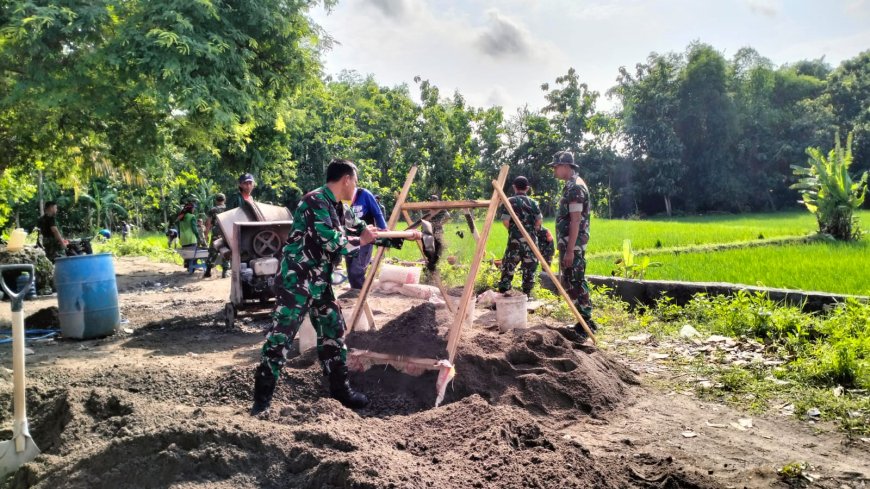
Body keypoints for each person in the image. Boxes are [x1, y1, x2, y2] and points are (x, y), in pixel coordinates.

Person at [250, 158, 421, 415]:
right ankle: (261, 401)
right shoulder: (314, 201)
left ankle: (341, 391)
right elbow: (331, 241)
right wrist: (362, 240)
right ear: (346, 179)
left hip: (320, 282)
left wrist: (402, 237)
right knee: (281, 337)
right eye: (356, 180)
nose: (357, 187)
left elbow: (366, 230)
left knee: (333, 330)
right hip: (297, 280)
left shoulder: (340, 207)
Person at [550, 151, 597, 338]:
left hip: (574, 244)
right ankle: (583, 320)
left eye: (556, 166)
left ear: (566, 167)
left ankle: (586, 323)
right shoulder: (571, 185)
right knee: (570, 279)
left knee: (575, 280)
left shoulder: (575, 188)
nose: (554, 170)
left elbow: (576, 221)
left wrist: (570, 250)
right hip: (570, 243)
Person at [496, 176, 542, 296]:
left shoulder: (509, 201)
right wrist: (531, 230)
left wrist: (514, 231)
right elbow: (538, 222)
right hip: (531, 242)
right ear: (527, 188)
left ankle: (504, 293)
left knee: (508, 267)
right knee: (529, 269)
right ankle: (526, 295)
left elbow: (506, 221)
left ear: (514, 187)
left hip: (514, 242)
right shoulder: (534, 203)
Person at [345, 187, 388, 289]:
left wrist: (385, 232)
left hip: (366, 238)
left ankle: (360, 293)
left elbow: (377, 213)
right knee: (350, 267)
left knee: (357, 268)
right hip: (350, 238)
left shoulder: (365, 195)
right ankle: (355, 291)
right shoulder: (342, 197)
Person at [204, 193, 228, 278]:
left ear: (216, 200)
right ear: (224, 200)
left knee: (212, 252)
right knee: (226, 252)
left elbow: (208, 223)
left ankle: (208, 271)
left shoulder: (213, 210)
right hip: (226, 234)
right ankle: (224, 272)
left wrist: (206, 235)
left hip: (215, 234)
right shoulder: (227, 209)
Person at [175, 201, 203, 268]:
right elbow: (194, 229)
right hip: (191, 239)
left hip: (183, 239)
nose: (194, 210)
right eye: (193, 208)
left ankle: (187, 265)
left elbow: (178, 228)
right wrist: (199, 237)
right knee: (193, 254)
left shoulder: (181, 217)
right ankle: (192, 267)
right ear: (190, 209)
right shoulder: (192, 217)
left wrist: (179, 236)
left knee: (186, 254)